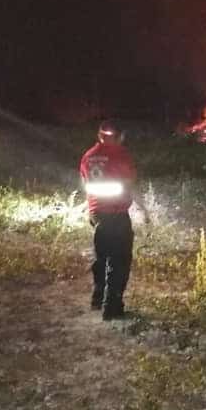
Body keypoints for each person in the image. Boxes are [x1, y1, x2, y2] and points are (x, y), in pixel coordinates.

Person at [79, 120, 146, 320]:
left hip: (97, 214)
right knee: (120, 259)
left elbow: (85, 183)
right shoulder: (121, 154)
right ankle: (112, 306)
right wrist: (144, 209)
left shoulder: (88, 156)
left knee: (102, 256)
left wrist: (90, 208)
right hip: (116, 214)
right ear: (119, 136)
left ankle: (97, 298)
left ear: (99, 135)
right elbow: (131, 184)